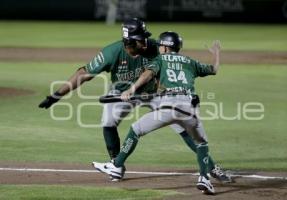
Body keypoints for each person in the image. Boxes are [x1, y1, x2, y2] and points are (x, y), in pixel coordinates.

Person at [38, 18, 228, 182]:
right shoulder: (112, 53)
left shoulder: (156, 47)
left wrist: (159, 90)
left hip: (155, 95)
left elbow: (175, 71)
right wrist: (56, 95)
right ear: (127, 42)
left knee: (183, 127)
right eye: (139, 41)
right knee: (108, 122)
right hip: (123, 94)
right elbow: (84, 74)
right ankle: (116, 165)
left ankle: (211, 167)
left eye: (145, 38)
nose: (145, 44)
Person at [92, 31, 229, 194]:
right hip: (190, 108)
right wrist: (216, 54)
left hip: (169, 107)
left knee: (135, 130)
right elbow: (213, 69)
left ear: (165, 47)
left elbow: (148, 74)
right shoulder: (189, 61)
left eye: (161, 45)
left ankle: (116, 166)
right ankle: (205, 178)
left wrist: (131, 89)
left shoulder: (160, 59)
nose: (159, 48)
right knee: (201, 143)